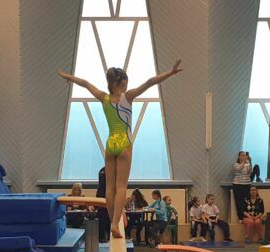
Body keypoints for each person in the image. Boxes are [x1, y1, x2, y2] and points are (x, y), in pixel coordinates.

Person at [59, 59, 182, 238]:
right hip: (124, 143)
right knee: (121, 186)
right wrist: (170, 73)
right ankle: (116, 223)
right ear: (122, 83)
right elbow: (150, 82)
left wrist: (68, 76)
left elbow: (85, 83)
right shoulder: (128, 96)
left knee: (109, 187)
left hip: (110, 144)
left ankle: (112, 221)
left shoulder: (104, 98)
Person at [231, 151, 252, 220]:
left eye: (245, 155)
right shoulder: (235, 164)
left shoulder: (247, 164)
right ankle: (240, 217)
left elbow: (250, 172)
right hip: (238, 185)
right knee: (239, 202)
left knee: (246, 201)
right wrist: (244, 162)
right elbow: (239, 169)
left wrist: (250, 162)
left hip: (247, 184)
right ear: (239, 157)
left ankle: (246, 216)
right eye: (242, 155)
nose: (244, 156)